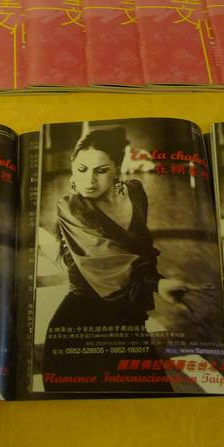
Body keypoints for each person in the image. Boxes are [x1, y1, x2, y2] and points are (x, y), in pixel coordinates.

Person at [42, 127, 191, 392]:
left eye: (100, 170)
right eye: (81, 169)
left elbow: (142, 250)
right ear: (73, 168)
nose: (89, 180)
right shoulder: (71, 207)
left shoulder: (135, 193)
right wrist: (157, 284)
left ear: (117, 169)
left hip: (127, 318)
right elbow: (109, 257)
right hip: (79, 326)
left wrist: (154, 281)